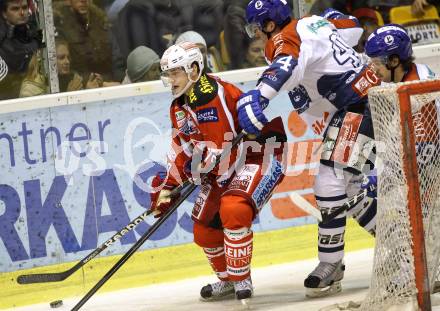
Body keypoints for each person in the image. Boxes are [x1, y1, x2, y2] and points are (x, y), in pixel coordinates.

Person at [237, 1, 380, 298]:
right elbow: (353, 27)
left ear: (269, 25)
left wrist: (259, 97)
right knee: (348, 190)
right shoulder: (315, 22)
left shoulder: (283, 39)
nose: (256, 36)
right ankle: (406, 246)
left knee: (329, 181)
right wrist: (332, 20)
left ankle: (331, 263)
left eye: (256, 28)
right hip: (367, 102)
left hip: (356, 107)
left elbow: (286, 64)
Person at [150, 41, 287, 301]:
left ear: (193, 69)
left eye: (175, 72)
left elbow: (227, 150)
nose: (171, 79)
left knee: (233, 208)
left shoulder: (211, 95)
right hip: (224, 167)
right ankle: (227, 281)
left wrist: (197, 172)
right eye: (168, 74)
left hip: (259, 154)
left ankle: (241, 279)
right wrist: (168, 186)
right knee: (204, 229)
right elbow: (182, 147)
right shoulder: (180, 105)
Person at [365, 24, 437, 83]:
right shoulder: (404, 75)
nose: (374, 70)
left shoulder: (418, 86)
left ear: (394, 61)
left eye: (377, 63)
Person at [0, 0, 43, 99]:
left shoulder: (37, 30)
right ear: (4, 14)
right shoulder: (3, 40)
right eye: (15, 9)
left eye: (24, 8)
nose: (22, 13)